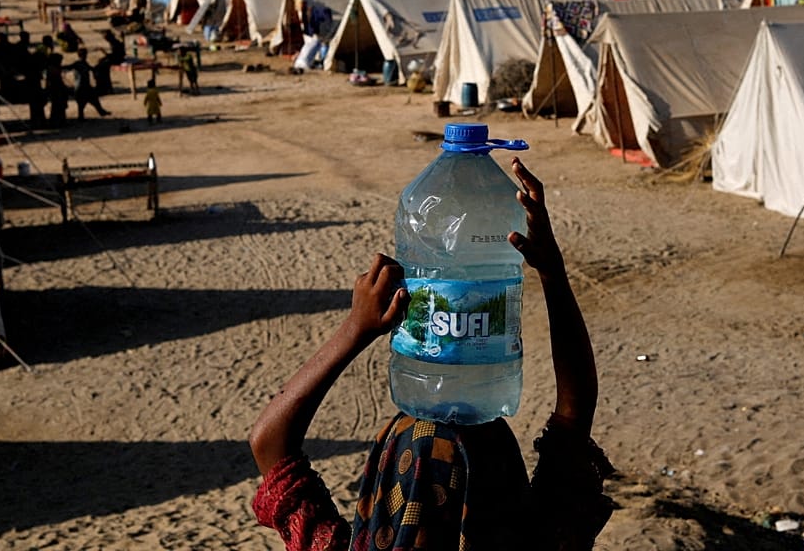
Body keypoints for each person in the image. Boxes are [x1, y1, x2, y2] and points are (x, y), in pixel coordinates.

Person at [250, 159, 613, 551]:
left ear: (383, 485)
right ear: (502, 483)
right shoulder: (541, 541)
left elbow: (269, 443)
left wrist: (355, 328)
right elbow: (574, 417)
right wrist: (551, 270)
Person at [67, 49, 111, 118]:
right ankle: (97, 112)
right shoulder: (77, 64)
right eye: (84, 55)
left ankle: (100, 112)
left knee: (93, 99)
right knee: (84, 103)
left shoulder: (83, 63)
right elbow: (68, 67)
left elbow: (92, 69)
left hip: (84, 86)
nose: (85, 56)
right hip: (81, 86)